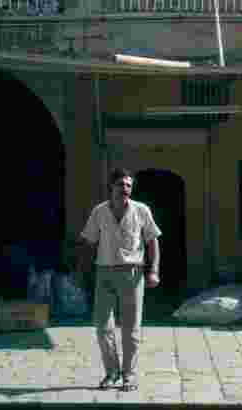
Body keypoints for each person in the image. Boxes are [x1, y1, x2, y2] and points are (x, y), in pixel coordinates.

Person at [76, 168, 162, 392]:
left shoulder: (141, 210)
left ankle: (129, 375)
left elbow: (152, 241)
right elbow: (88, 241)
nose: (125, 189)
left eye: (128, 186)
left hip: (132, 273)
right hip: (104, 272)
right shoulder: (99, 212)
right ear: (111, 187)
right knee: (102, 326)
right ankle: (112, 372)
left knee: (131, 328)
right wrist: (81, 272)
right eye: (121, 185)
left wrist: (153, 270)